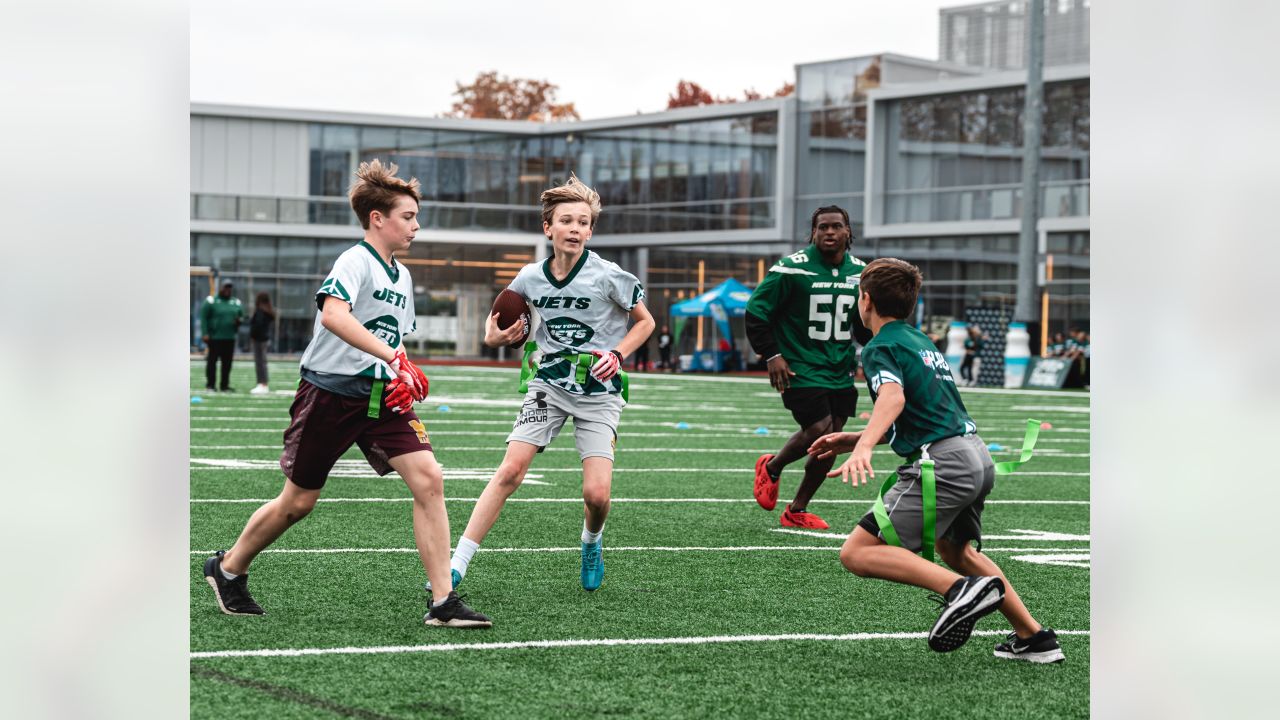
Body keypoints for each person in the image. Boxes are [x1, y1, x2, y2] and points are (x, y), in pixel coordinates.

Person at [201, 159, 491, 628]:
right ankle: (228, 567)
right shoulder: (355, 260)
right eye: (408, 216)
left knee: (429, 479)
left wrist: (402, 365)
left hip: (379, 399)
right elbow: (335, 315)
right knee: (298, 503)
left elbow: (391, 338)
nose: (417, 225)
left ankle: (443, 601)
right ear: (378, 218)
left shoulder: (404, 275)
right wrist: (394, 359)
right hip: (328, 395)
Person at [809, 258, 1063, 662]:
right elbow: (927, 411)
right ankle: (1034, 638)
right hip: (975, 455)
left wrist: (865, 447)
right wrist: (857, 437)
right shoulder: (919, 340)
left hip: (943, 463)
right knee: (957, 551)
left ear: (866, 300)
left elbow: (894, 398)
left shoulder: (880, 346)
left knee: (856, 553)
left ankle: (959, 591)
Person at [445, 175, 654, 593]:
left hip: (598, 391)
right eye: (567, 221)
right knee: (510, 471)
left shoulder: (610, 275)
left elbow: (645, 322)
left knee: (596, 494)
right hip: (549, 383)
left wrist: (617, 354)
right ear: (548, 228)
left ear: (590, 231)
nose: (575, 229)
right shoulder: (528, 277)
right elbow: (494, 327)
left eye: (583, 222)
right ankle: (455, 564)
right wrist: (494, 338)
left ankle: (591, 541)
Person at [745, 205, 871, 530]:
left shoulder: (862, 272)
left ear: (848, 232)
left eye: (836, 227)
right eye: (822, 227)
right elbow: (757, 312)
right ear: (813, 232)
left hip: (840, 367)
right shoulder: (791, 268)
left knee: (833, 441)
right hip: (799, 366)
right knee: (819, 430)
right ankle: (773, 467)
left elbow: (863, 325)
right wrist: (772, 354)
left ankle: (797, 509)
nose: (829, 232)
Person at [200, 281, 244, 392]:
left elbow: (242, 316)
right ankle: (210, 385)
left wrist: (239, 321)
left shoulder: (235, 302)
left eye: (230, 288)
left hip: (229, 337)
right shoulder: (211, 301)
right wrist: (205, 333)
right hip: (215, 337)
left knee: (227, 364)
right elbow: (204, 317)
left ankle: (224, 386)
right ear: (221, 288)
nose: (228, 290)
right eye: (226, 287)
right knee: (212, 362)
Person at [249, 291, 275, 394]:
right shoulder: (268, 311)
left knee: (260, 362)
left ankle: (262, 384)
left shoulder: (260, 311)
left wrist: (253, 335)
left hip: (259, 339)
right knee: (262, 362)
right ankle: (263, 384)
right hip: (263, 339)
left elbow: (257, 326)